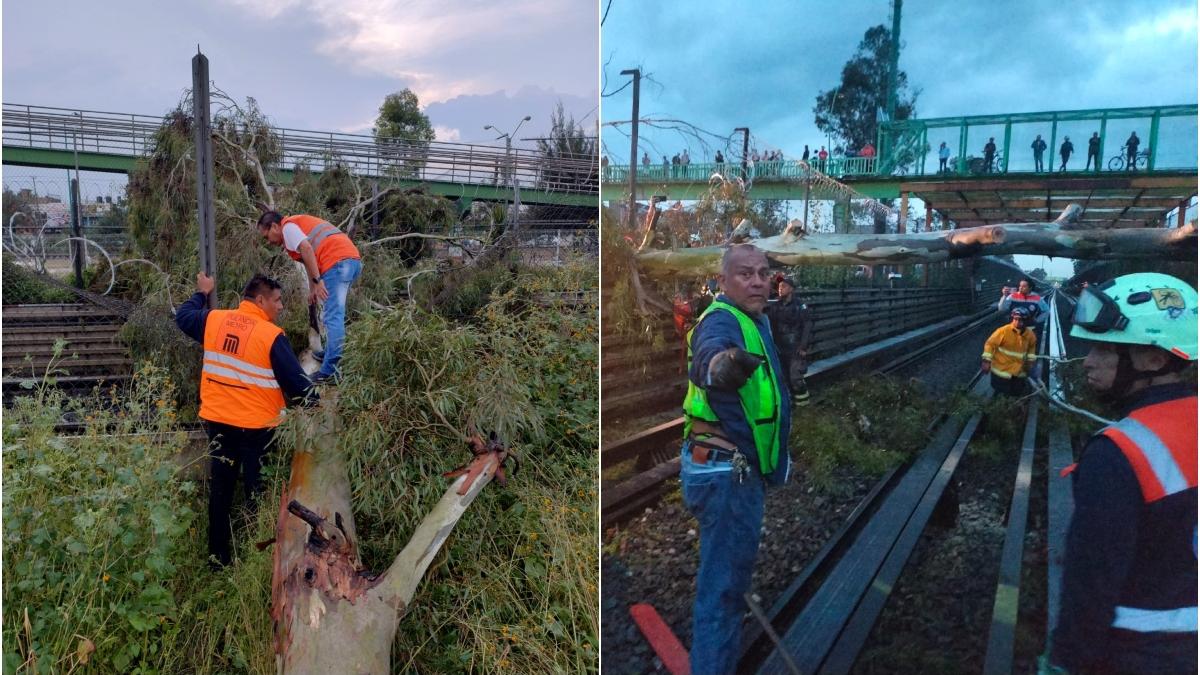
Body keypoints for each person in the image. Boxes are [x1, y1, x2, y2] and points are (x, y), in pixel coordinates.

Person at [1044, 273, 1197, 674]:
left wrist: (1066, 661)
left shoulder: (1119, 452)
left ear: (1154, 359)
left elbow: (1091, 584)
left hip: (1139, 654)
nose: (1089, 360)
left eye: (1104, 348)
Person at [680, 244, 791, 674]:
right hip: (727, 475)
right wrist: (719, 366)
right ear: (723, 281)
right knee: (724, 595)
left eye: (763, 273)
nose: (758, 280)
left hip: (724, 467)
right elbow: (710, 355)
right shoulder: (723, 319)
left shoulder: (754, 321)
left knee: (723, 583)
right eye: (745, 274)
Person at [175, 272, 315, 566]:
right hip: (257, 429)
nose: (280, 307)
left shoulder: (214, 320)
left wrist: (203, 292)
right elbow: (299, 387)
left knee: (221, 490)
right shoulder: (271, 336)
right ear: (260, 300)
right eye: (277, 301)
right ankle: (256, 558)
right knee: (257, 492)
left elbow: (184, 316)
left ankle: (217, 557)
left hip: (219, 423)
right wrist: (320, 400)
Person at [257, 211, 362, 383]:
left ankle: (330, 372)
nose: (268, 242)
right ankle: (330, 354)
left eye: (267, 236)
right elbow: (307, 258)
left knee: (332, 317)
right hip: (348, 259)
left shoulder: (288, 227)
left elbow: (306, 248)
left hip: (337, 261)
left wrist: (317, 279)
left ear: (275, 226)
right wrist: (313, 288)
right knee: (331, 314)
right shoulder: (293, 228)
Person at [766, 276, 814, 407]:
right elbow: (770, 325)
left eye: (784, 286)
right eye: (779, 287)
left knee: (795, 378)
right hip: (780, 349)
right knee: (784, 378)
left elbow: (807, 326)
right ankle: (791, 405)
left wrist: (803, 347)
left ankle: (804, 406)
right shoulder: (775, 306)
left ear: (791, 289)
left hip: (796, 349)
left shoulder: (800, 306)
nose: (780, 289)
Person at [981, 307, 1037, 397]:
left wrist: (1030, 363)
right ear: (1012, 319)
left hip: (1019, 372)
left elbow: (1031, 349)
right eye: (1016, 319)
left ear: (1026, 321)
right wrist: (986, 361)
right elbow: (990, 344)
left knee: (1016, 394)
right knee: (1000, 395)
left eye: (1021, 320)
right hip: (1002, 372)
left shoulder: (1030, 335)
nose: (1018, 322)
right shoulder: (1003, 331)